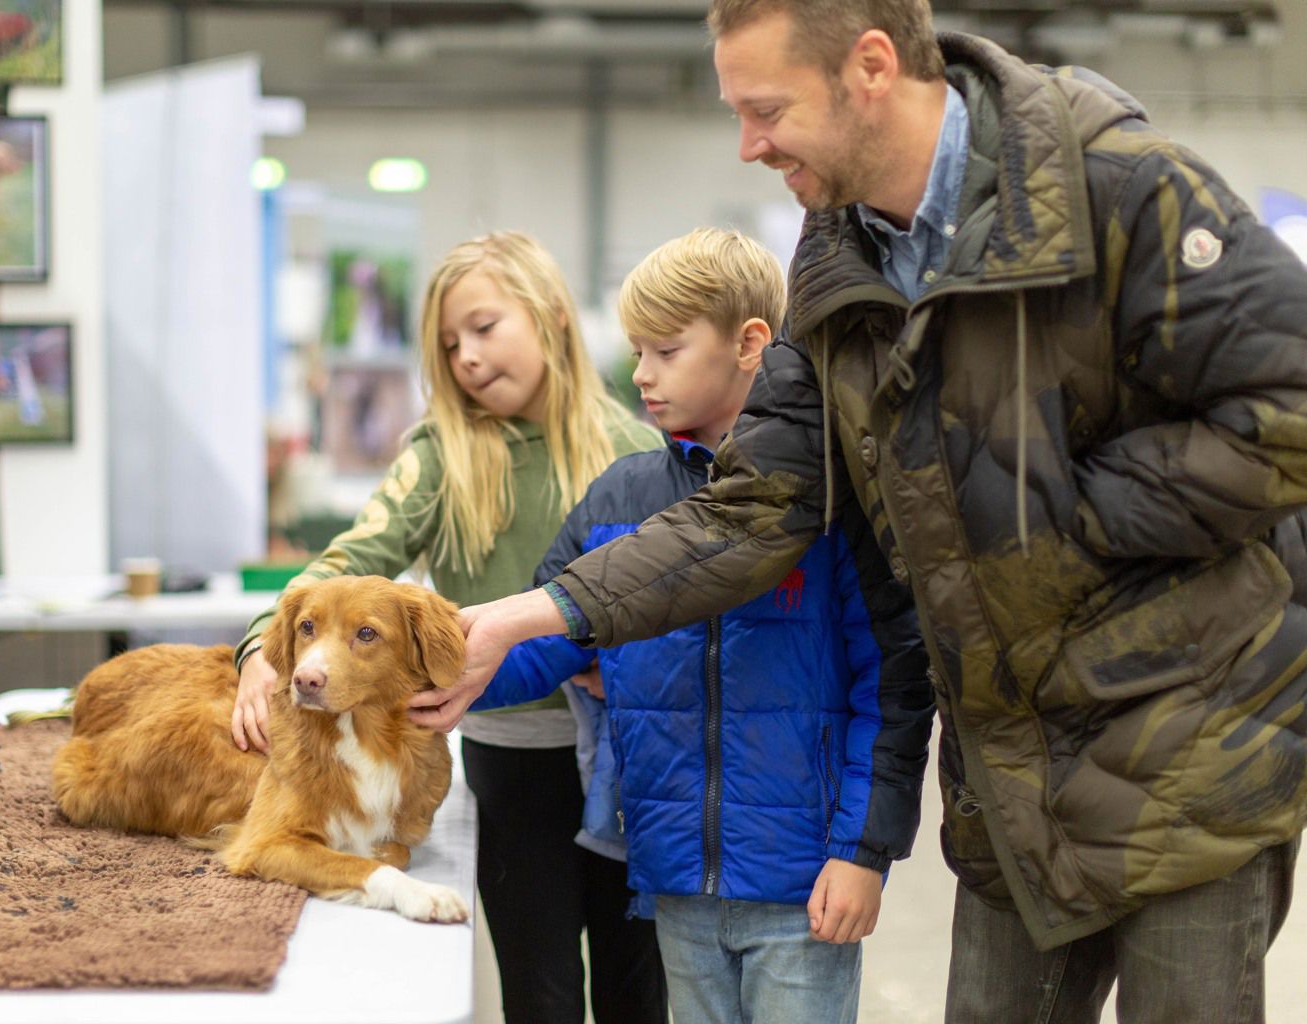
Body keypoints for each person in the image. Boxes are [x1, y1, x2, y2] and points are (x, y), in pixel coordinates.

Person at [408, 3, 1307, 1022]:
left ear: (870, 68)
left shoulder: (1122, 189)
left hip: (1192, 753)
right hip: (1013, 781)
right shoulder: (836, 262)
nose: (748, 145)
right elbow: (754, 509)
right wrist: (523, 620)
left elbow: (1285, 411)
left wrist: (1058, 523)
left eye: (767, 109)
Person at [470, 228, 930, 1024]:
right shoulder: (622, 496)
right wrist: (422, 665)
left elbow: (892, 686)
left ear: (751, 343)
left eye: (667, 351)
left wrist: (862, 853)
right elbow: (541, 640)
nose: (641, 375)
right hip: (673, 879)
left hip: (803, 889)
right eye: (637, 351)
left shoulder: (833, 497)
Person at [230, 231, 669, 1024]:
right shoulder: (439, 456)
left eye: (484, 326)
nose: (466, 355)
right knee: (540, 989)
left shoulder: (642, 450)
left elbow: (683, 597)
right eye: (448, 343)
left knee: (638, 984)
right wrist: (263, 646)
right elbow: (349, 561)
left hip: (634, 758)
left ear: (551, 317)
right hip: (509, 762)